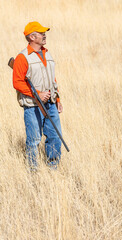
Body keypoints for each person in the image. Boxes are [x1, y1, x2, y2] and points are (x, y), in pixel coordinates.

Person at [13, 21, 63, 170]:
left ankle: (53, 168)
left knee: (55, 137)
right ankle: (33, 171)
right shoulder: (23, 57)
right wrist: (37, 95)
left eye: (44, 33)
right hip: (33, 106)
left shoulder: (47, 53)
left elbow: (52, 79)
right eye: (41, 33)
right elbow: (17, 82)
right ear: (32, 37)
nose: (44, 35)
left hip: (51, 104)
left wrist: (58, 98)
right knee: (34, 140)